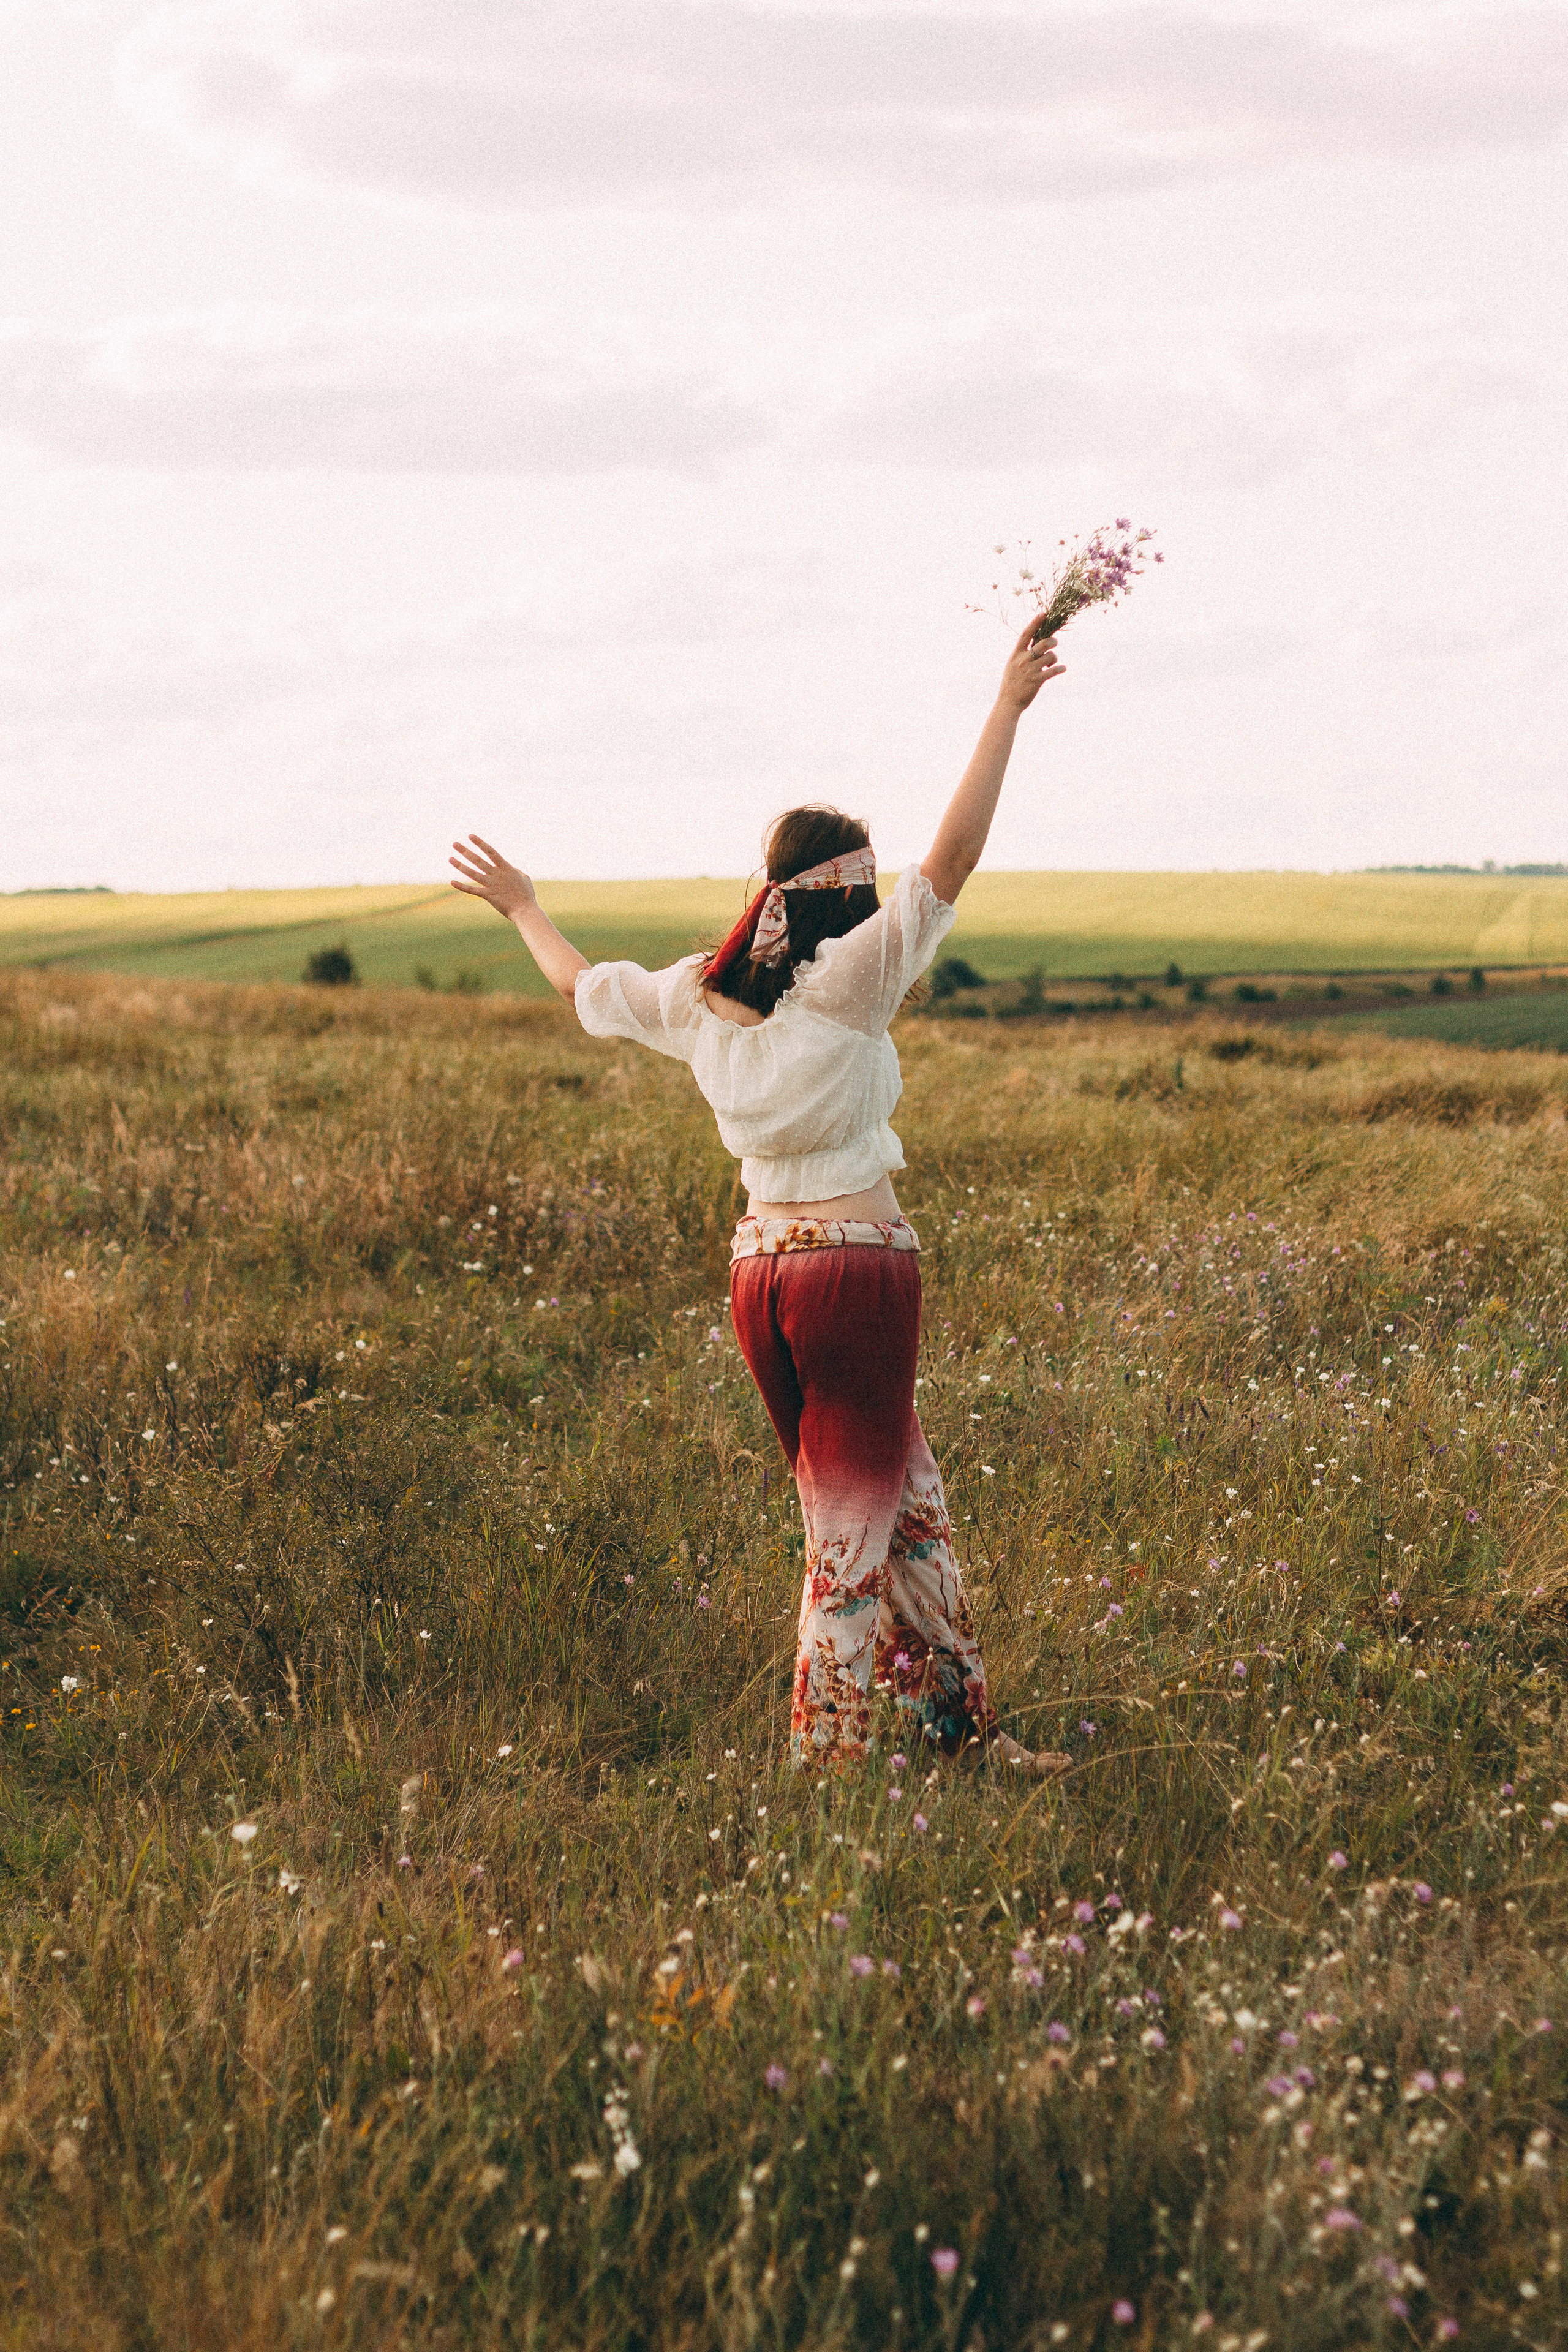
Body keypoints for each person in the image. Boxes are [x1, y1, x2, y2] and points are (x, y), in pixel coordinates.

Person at [450, 614, 1069, 1775]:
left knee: (910, 1519)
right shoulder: (850, 986)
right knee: (846, 1542)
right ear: (848, 897)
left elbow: (581, 983)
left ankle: (964, 1738)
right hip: (855, 1277)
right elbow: (957, 861)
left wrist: (521, 902)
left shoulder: (698, 995)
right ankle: (824, 1775)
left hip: (760, 1280)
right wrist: (1007, 709)